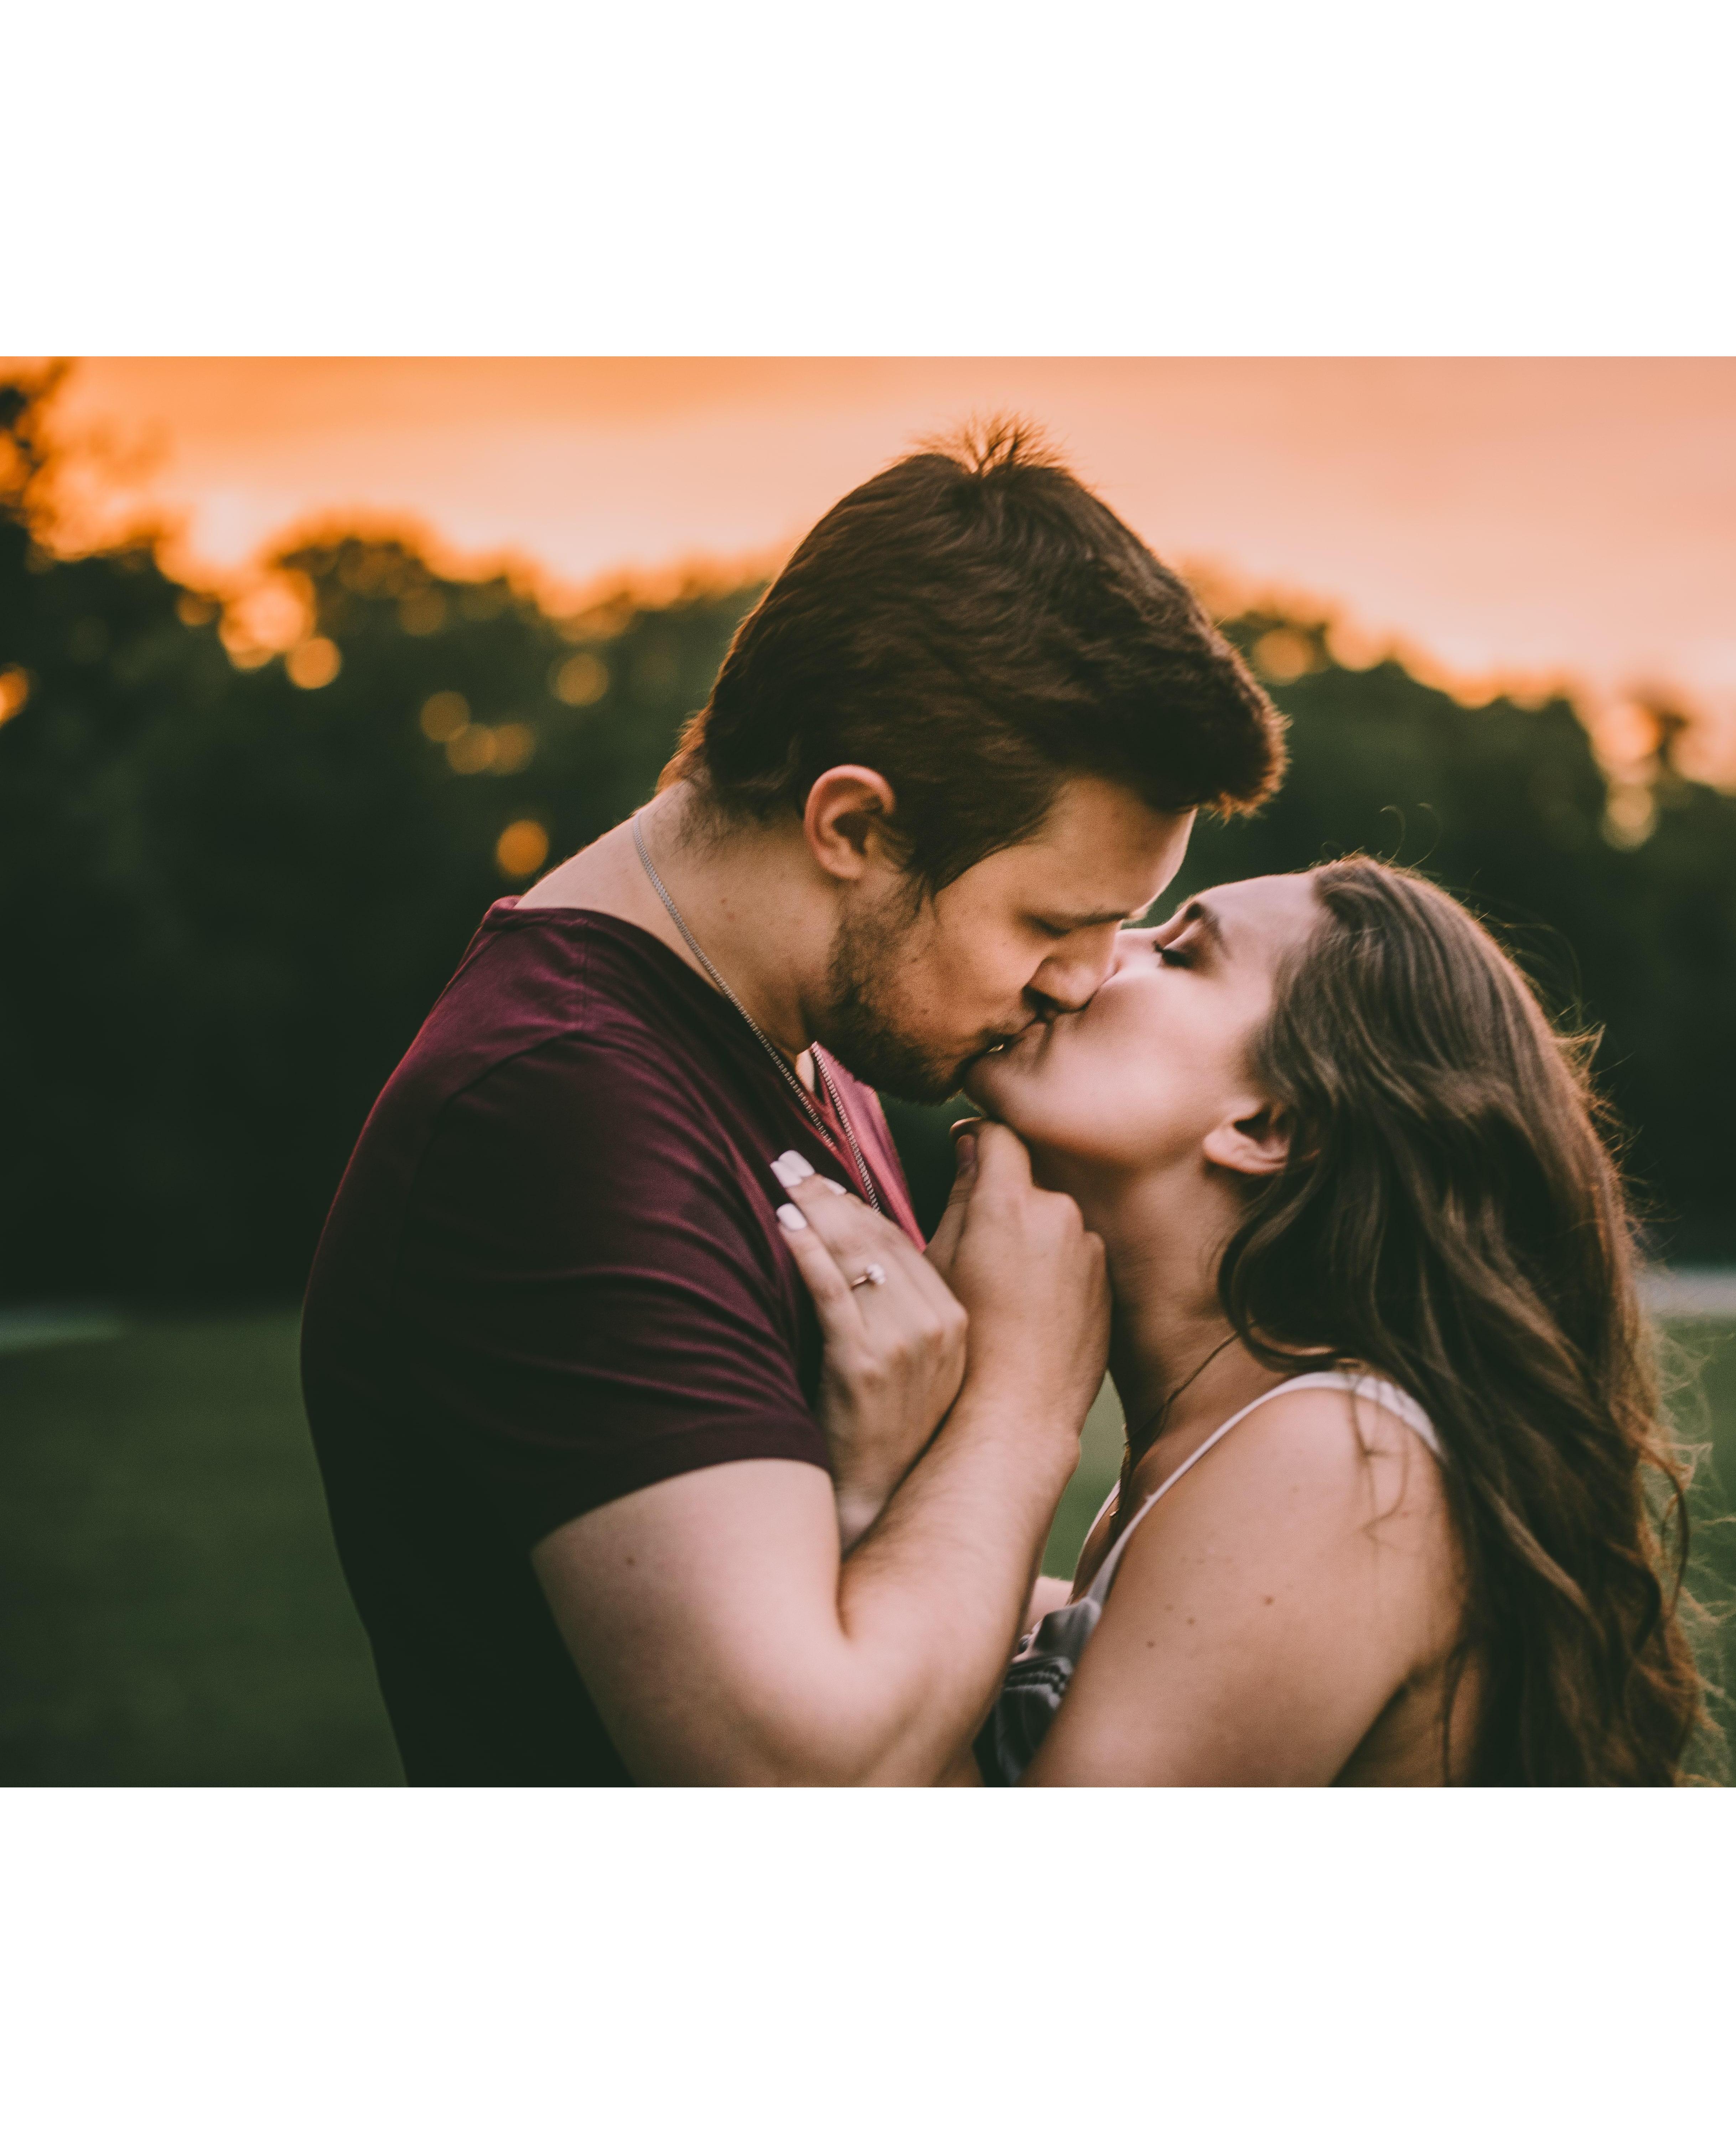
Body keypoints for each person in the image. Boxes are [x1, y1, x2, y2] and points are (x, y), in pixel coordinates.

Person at [299, 421, 1286, 1785]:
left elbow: (906, 1599)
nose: (1083, 980)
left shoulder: (802, 1044)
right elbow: (802, 1774)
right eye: (1054, 920)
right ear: (855, 830)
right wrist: (1021, 1405)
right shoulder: (557, 1115)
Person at [789, 857, 1717, 1784]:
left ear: (1270, 1123)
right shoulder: (1204, 1463)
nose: (1099, 956)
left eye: (1180, 953)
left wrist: (980, 1437)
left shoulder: (1340, 1461)